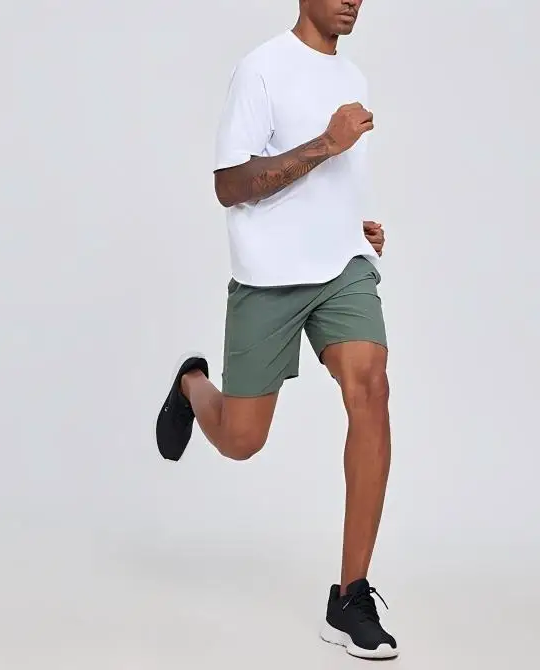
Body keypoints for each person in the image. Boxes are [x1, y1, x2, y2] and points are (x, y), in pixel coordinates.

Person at [156, 0, 398, 660]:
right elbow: (229, 185)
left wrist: (358, 226)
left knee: (372, 390)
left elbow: (339, 183)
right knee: (242, 440)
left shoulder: (353, 78)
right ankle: (193, 383)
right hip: (269, 278)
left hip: (343, 267)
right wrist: (326, 143)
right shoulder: (260, 70)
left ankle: (349, 596)